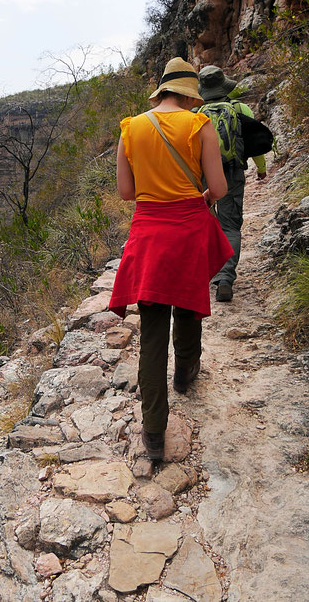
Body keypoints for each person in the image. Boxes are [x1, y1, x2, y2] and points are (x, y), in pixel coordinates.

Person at [109, 57, 233, 460]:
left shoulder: (131, 128)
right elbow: (218, 187)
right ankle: (185, 372)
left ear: (161, 90)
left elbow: (127, 193)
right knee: (188, 303)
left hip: (148, 235)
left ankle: (154, 432)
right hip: (188, 230)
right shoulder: (199, 125)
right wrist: (200, 194)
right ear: (187, 94)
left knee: (151, 329)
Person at [198, 65, 267, 302]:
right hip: (232, 173)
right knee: (230, 225)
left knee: (206, 223)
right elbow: (253, 143)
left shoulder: (195, 113)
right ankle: (225, 278)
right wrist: (262, 169)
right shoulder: (240, 108)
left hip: (203, 176)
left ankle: (206, 272)